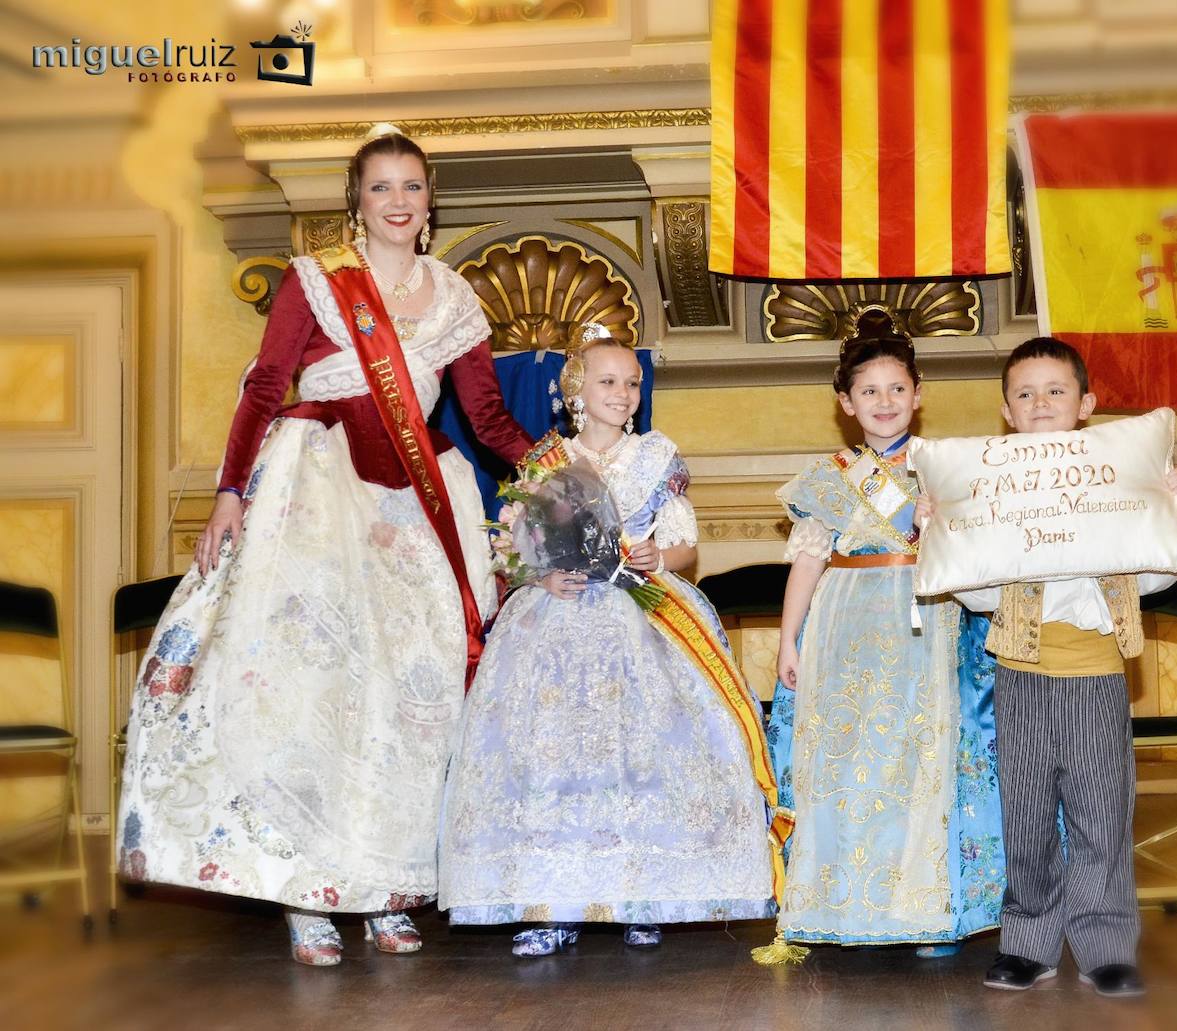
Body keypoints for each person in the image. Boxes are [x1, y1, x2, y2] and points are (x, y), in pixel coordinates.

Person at [116, 127, 533, 966]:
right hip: (318, 490)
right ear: (357, 202)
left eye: (411, 185)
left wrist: (561, 470)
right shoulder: (315, 282)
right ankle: (306, 893)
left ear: (430, 197)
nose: (397, 201)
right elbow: (265, 388)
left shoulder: (454, 296)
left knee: (408, 700)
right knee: (312, 688)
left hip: (417, 511)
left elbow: (487, 421)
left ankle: (383, 889)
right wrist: (230, 492)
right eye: (380, 187)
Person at [438, 330, 778, 956]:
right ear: (575, 391)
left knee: (643, 751)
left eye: (632, 382)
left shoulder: (656, 454)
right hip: (555, 620)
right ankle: (549, 900)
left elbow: (683, 544)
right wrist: (540, 571)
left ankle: (640, 894)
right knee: (551, 756)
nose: (623, 393)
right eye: (608, 381)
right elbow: (512, 543)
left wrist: (657, 555)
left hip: (637, 611)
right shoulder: (545, 457)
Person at [762, 310, 1003, 958]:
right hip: (846, 631)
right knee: (849, 768)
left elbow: (978, 557)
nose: (885, 402)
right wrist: (790, 640)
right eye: (869, 391)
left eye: (897, 388)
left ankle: (925, 912)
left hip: (929, 629)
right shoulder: (830, 477)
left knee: (924, 767)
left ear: (918, 394)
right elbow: (809, 560)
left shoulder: (945, 470)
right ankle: (853, 909)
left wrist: (939, 522)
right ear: (845, 402)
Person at [953, 337, 1177, 999]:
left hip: (1095, 670)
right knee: (1025, 812)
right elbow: (972, 592)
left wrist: (1166, 507)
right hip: (1021, 668)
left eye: (1055, 390)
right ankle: (1028, 942)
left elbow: (1154, 576)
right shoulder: (990, 486)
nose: (1040, 404)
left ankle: (1106, 944)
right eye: (1024, 393)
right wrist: (945, 531)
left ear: (1086, 403)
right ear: (1006, 410)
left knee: (1100, 813)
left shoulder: (1114, 477)